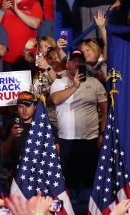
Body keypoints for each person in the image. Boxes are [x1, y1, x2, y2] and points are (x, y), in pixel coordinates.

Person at [49, 48, 106, 195]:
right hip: (66, 140)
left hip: (90, 140)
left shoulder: (94, 83)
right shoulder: (59, 83)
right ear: (67, 64)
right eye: (74, 61)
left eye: (80, 61)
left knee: (89, 182)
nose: (77, 64)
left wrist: (102, 133)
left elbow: (105, 110)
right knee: (69, 182)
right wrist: (75, 86)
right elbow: (55, 99)